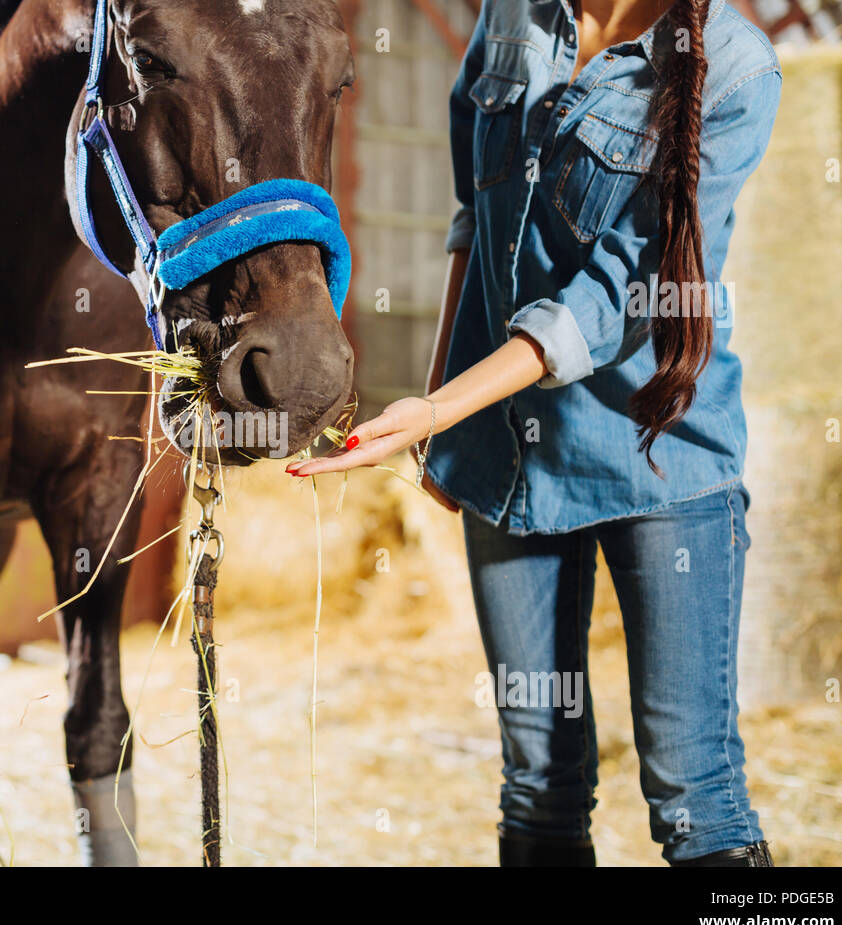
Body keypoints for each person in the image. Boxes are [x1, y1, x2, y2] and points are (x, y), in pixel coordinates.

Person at [289, 0, 781, 866]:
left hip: (662, 460)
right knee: (540, 783)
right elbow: (472, 220)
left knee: (691, 789)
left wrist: (441, 410)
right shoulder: (514, 14)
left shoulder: (739, 70)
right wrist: (441, 414)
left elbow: (613, 302)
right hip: (508, 456)